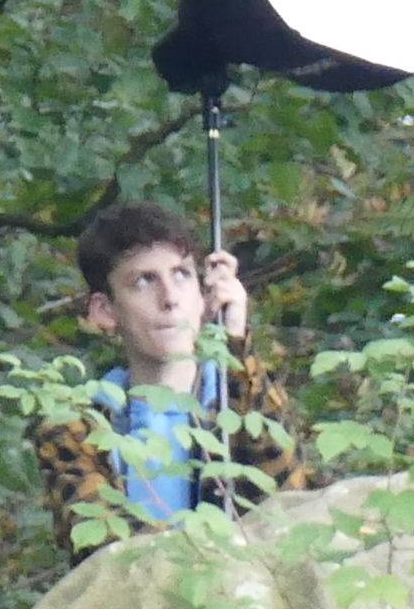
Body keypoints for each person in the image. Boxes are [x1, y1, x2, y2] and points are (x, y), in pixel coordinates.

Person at [35, 199, 310, 555]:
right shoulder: (79, 427)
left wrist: (235, 345)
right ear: (105, 311)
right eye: (144, 281)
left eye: (181, 274)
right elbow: (108, 555)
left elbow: (287, 503)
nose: (169, 299)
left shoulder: (242, 397)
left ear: (203, 294)